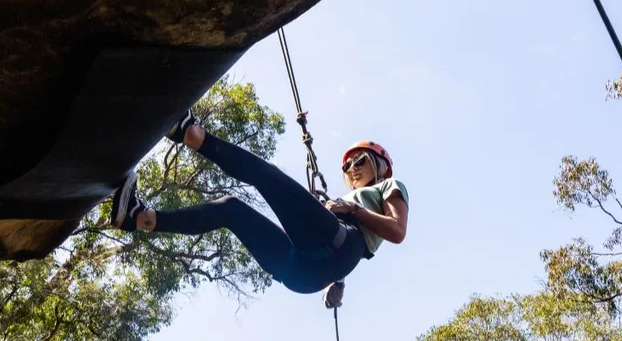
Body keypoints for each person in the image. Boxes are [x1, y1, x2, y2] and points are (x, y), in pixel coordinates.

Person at [110, 109, 409, 305]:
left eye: (360, 161)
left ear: (381, 167)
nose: (352, 167)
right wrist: (338, 284)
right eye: (347, 165)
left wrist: (353, 210)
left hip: (324, 257)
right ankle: (140, 218)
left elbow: (396, 232)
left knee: (267, 176)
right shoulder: (346, 207)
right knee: (230, 208)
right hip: (308, 271)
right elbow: (344, 244)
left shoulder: (387, 188)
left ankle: (192, 135)